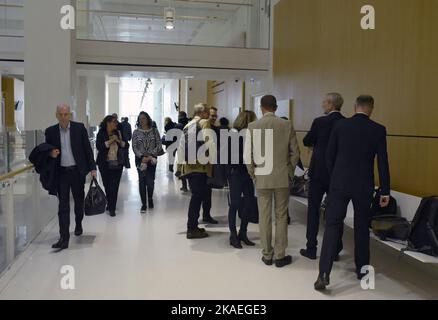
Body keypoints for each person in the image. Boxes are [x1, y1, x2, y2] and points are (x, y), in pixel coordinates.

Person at [315, 95, 390, 291]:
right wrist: (385, 190)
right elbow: (382, 162)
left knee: (332, 226)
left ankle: (324, 273)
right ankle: (362, 270)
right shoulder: (378, 130)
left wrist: (335, 178)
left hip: (339, 183)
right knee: (361, 227)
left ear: (355, 106)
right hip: (363, 186)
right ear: (371, 108)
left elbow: (329, 156)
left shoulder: (340, 126)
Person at [246, 95, 300, 267]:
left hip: (262, 177)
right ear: (276, 107)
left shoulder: (253, 126)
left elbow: (248, 156)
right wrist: (290, 172)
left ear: (261, 108)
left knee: (264, 216)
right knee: (281, 216)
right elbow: (295, 153)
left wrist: (253, 174)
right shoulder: (286, 124)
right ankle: (280, 255)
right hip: (282, 177)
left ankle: (267, 254)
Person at [300, 93, 346, 260]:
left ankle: (311, 248)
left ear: (331, 104)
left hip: (318, 172)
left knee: (313, 210)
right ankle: (334, 250)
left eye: (324, 102)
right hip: (337, 175)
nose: (322, 104)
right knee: (335, 214)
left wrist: (317, 145)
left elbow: (307, 141)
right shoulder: (346, 123)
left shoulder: (320, 122)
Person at [45, 104, 97, 251]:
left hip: (77, 172)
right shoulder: (51, 132)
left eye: (66, 114)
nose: (63, 117)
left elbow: (87, 149)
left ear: (70, 115)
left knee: (79, 201)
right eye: (60, 114)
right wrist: (50, 153)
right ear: (56, 115)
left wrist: (93, 168)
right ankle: (64, 238)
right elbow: (46, 150)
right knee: (63, 206)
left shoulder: (79, 129)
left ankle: (78, 223)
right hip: (61, 173)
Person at [179, 103, 216, 239]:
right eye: (208, 112)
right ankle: (191, 228)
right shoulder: (204, 122)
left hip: (190, 166)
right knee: (197, 198)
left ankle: (193, 226)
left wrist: (180, 167)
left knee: (196, 197)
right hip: (201, 166)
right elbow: (209, 141)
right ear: (204, 113)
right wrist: (214, 159)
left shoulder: (187, 126)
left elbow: (181, 148)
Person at [228, 111, 257, 249]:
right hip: (236, 172)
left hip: (247, 173)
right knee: (234, 204)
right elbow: (232, 156)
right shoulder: (234, 134)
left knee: (249, 202)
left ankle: (243, 232)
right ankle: (233, 235)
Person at [96, 115, 130, 217]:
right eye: (114, 122)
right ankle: (110, 203)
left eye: (116, 122)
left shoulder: (119, 132)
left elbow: (126, 145)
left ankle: (112, 208)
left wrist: (119, 141)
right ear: (108, 123)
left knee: (114, 187)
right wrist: (111, 141)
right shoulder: (101, 133)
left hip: (117, 163)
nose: (116, 123)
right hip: (104, 164)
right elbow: (99, 147)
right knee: (107, 185)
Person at [132, 111, 163, 212]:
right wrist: (142, 157)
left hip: (152, 159)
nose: (142, 120)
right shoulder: (136, 132)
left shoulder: (154, 131)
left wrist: (150, 156)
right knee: (142, 181)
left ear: (148, 119)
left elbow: (159, 144)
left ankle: (150, 198)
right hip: (140, 160)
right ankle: (143, 204)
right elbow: (134, 146)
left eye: (143, 118)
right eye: (140, 119)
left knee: (150, 181)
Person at [199, 106, 220, 224]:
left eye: (215, 115)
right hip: (200, 165)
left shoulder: (216, 130)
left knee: (207, 193)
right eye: (212, 115)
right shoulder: (200, 128)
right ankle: (197, 218)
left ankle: (206, 215)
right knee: (198, 194)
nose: (213, 117)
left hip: (210, 166)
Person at [176, 112, 189, 192]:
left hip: (181, 147)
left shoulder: (178, 125)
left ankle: (184, 186)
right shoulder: (189, 124)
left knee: (181, 166)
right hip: (189, 148)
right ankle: (191, 185)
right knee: (188, 166)